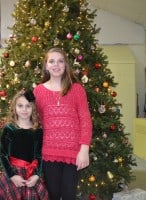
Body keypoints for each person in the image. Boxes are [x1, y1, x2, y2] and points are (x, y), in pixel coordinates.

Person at [33, 47, 92, 200]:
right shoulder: (38, 91)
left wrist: (84, 150)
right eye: (51, 61)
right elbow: (34, 121)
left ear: (66, 65)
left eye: (60, 61)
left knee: (68, 195)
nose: (56, 65)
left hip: (74, 154)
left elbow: (85, 120)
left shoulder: (77, 89)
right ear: (46, 65)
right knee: (52, 194)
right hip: (49, 153)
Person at [0, 89, 49, 200]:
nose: (24, 109)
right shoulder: (9, 129)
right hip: (13, 174)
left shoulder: (38, 131)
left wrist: (37, 175)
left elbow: (40, 156)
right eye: (20, 106)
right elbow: (3, 155)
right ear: (14, 107)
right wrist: (12, 176)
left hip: (31, 175)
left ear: (33, 108)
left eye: (28, 106)